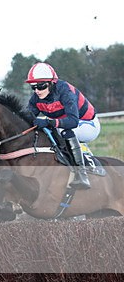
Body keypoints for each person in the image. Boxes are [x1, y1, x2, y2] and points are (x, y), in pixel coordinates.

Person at [25, 62, 100, 190]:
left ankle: (81, 174)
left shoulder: (65, 91)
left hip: (88, 124)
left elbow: (73, 121)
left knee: (63, 131)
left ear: (51, 83)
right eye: (33, 87)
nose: (37, 91)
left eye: (41, 86)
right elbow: (26, 118)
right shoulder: (36, 98)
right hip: (68, 126)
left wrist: (48, 122)